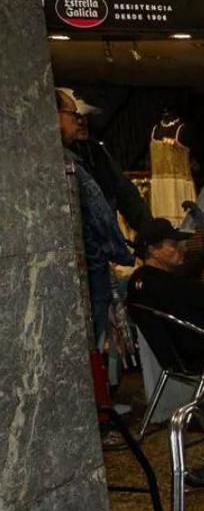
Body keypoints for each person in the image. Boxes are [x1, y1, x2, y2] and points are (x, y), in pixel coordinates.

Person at [125, 218, 204, 425]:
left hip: (172, 357)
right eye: (173, 245)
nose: (181, 249)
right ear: (153, 250)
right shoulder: (173, 284)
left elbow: (193, 309)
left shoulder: (137, 284)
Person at [57, 88, 136, 349]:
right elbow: (100, 212)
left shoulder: (85, 156)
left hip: (75, 265)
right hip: (87, 262)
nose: (79, 122)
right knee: (91, 339)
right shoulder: (71, 165)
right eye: (73, 115)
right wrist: (119, 252)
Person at [59, 88, 152, 237]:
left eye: (84, 117)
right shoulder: (55, 158)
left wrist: (149, 231)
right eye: (75, 117)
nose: (82, 123)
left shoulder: (96, 151)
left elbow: (125, 193)